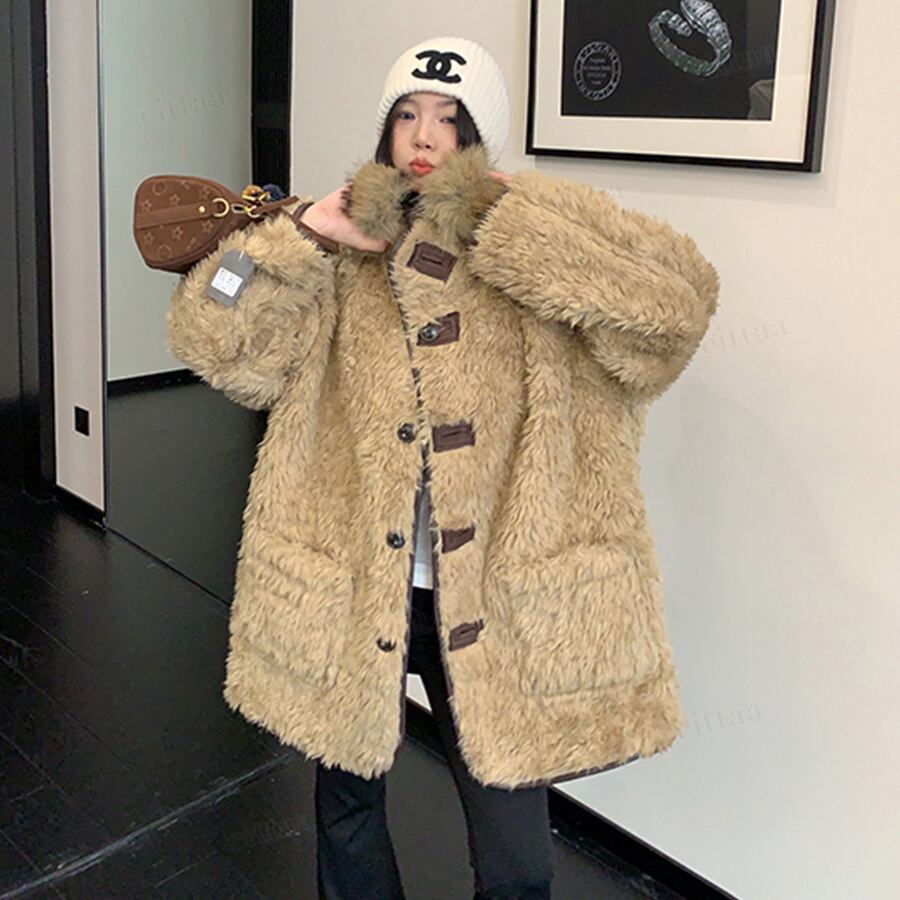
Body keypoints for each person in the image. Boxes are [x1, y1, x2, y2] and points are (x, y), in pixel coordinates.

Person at [165, 35, 719, 900]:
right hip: (358, 589)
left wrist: (509, 224)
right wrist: (296, 237)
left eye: (450, 118)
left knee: (515, 857)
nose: (424, 136)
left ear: (480, 135)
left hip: (493, 600)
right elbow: (211, 329)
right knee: (346, 812)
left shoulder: (534, 240)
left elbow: (675, 312)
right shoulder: (340, 253)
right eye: (407, 115)